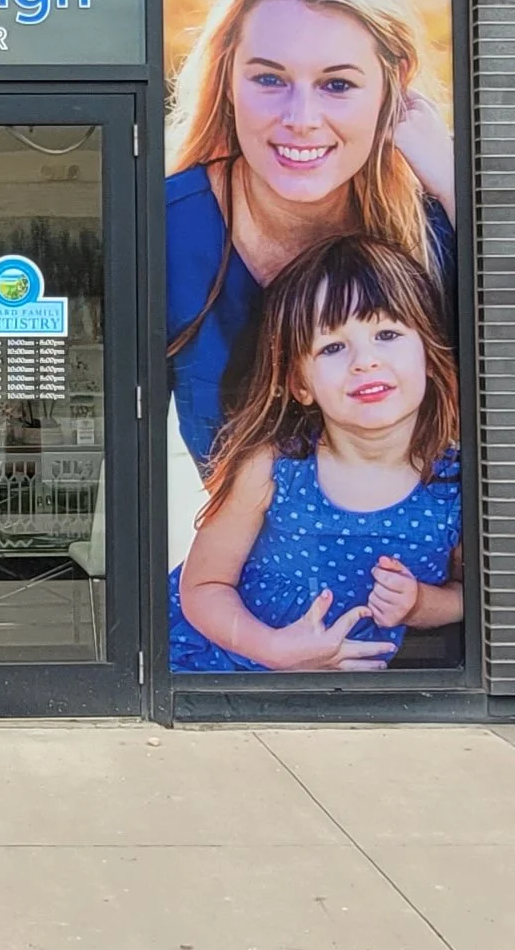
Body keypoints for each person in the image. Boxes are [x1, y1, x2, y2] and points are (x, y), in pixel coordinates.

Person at [166, 0, 456, 481]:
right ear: (228, 77)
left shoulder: (439, 229)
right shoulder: (166, 231)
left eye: (337, 84)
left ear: (391, 85)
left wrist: (459, 192)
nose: (300, 117)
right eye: (270, 78)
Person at [170, 236, 463, 676]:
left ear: (428, 356)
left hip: (336, 699)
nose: (365, 361)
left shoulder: (452, 483)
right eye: (332, 347)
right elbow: (204, 586)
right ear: (300, 384)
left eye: (387, 334)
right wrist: (274, 650)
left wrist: (421, 604)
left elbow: (473, 594)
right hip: (216, 669)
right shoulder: (275, 468)